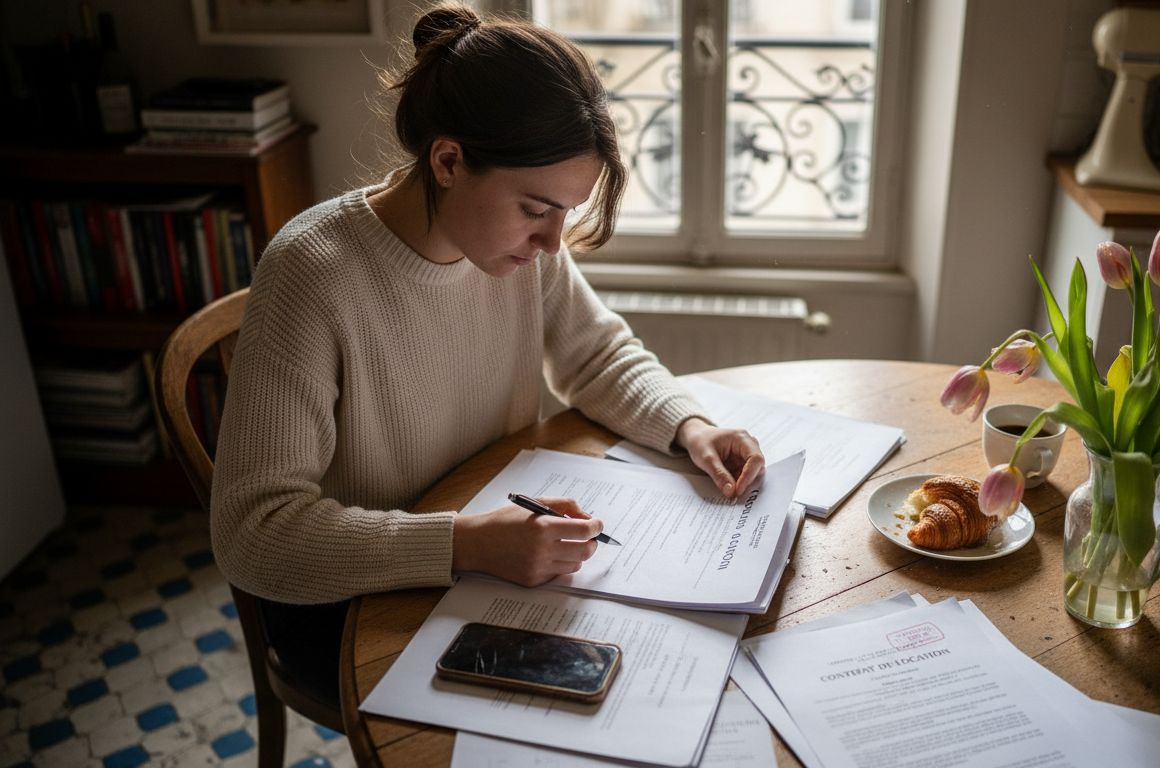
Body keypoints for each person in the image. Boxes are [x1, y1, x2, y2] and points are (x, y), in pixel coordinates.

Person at [209, 4, 764, 695]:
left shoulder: (520, 250)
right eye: (537, 209)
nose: (552, 243)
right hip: (353, 604)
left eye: (567, 212)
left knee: (675, 665)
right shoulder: (311, 273)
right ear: (448, 160)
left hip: (490, 556)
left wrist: (692, 426)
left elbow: (596, 357)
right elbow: (253, 534)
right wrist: (464, 542)